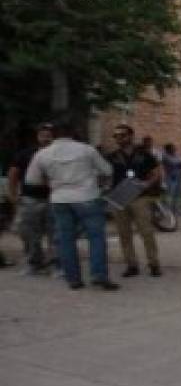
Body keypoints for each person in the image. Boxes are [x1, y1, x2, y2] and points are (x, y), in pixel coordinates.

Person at [24, 120, 118, 290]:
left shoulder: (43, 153)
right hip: (87, 197)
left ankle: (73, 279)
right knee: (96, 237)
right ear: (73, 133)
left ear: (54, 135)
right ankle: (98, 275)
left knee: (65, 240)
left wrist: (53, 182)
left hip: (60, 199)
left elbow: (31, 180)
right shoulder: (87, 149)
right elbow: (108, 170)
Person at [107, 124, 163, 278]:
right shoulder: (112, 156)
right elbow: (105, 175)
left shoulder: (144, 154)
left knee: (146, 232)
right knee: (124, 233)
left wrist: (147, 183)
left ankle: (154, 264)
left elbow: (157, 171)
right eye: (116, 136)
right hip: (120, 197)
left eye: (122, 135)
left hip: (140, 197)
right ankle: (131, 265)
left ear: (131, 136)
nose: (119, 138)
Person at [7, 122, 55, 274]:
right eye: (43, 135)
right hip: (30, 198)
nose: (46, 138)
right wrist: (13, 194)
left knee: (55, 234)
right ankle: (34, 262)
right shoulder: (26, 154)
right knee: (29, 233)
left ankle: (57, 264)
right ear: (37, 136)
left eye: (49, 135)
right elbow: (13, 173)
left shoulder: (59, 154)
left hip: (54, 199)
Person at [161, 143, 181, 216]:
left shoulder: (177, 155)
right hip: (170, 177)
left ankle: (176, 210)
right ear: (168, 149)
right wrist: (179, 162)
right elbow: (173, 163)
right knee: (169, 194)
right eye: (172, 148)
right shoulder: (165, 156)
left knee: (177, 194)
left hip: (178, 177)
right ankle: (167, 210)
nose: (174, 149)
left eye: (174, 148)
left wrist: (179, 163)